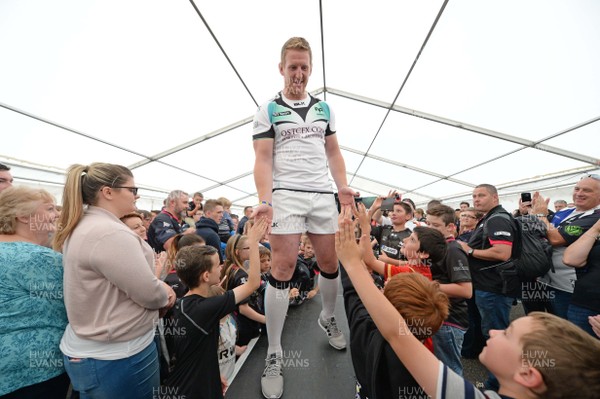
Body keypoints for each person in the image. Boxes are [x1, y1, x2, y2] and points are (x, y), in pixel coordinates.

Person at [336, 207, 600, 399]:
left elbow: (398, 333)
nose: (495, 330)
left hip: (452, 325)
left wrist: (350, 262)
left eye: (507, 333)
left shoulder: (449, 256)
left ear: (528, 374)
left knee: (450, 364)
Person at [252, 36, 358, 398]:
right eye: (292, 66)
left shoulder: (324, 109)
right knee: (282, 267)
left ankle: (327, 316)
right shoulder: (268, 109)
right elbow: (263, 158)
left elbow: (334, 152)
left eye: (304, 67)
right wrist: (265, 199)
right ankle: (275, 353)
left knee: (330, 263)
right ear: (281, 68)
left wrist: (342, 186)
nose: (298, 73)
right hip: (285, 194)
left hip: (321, 194)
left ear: (311, 70)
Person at [52, 163, 176, 399]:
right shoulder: (110, 233)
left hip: (99, 351)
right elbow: (149, 293)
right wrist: (167, 292)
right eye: (132, 189)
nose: (136, 195)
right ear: (108, 192)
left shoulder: (85, 224)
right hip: (119, 355)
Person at [163, 217, 268, 399]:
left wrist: (211, 373)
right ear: (205, 276)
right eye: (217, 264)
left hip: (195, 380)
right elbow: (252, 284)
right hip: (193, 390)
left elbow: (193, 351)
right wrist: (253, 243)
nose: (221, 266)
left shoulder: (184, 303)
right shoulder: (206, 308)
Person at [0, 187, 69, 398]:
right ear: (22, 215)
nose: (57, 214)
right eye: (49, 209)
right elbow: (81, 304)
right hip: (33, 373)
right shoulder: (37, 258)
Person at [456, 184, 518, 391]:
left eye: (481, 195)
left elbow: (502, 253)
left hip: (493, 287)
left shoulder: (497, 218)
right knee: (490, 331)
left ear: (495, 197)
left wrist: (469, 251)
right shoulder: (489, 218)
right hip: (486, 285)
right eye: (474, 196)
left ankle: (500, 384)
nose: (476, 199)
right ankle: (497, 377)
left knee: (496, 334)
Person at [531, 175, 600, 319]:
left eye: (587, 190)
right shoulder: (565, 212)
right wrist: (529, 214)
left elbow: (556, 238)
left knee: (567, 331)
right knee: (550, 325)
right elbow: (539, 230)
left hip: (568, 288)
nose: (579, 193)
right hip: (545, 281)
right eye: (577, 188)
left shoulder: (595, 216)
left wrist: (540, 215)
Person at [221, 234, 267, 346]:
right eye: (248, 247)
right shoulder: (241, 275)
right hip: (244, 326)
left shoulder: (228, 267)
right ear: (237, 252)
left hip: (234, 322)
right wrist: (267, 320)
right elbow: (243, 309)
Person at [562, 217, 600, 337]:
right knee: (578, 352)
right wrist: (596, 228)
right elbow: (570, 259)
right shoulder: (595, 228)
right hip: (584, 303)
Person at [196, 199, 225, 263]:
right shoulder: (211, 235)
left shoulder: (196, 229)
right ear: (208, 213)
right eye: (219, 212)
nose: (222, 215)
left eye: (222, 212)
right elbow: (218, 262)